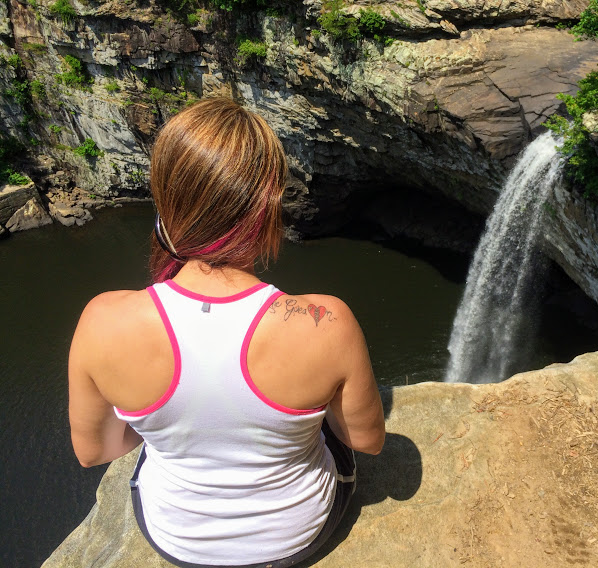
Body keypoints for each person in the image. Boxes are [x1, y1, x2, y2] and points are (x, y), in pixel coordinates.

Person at [68, 97, 385, 568]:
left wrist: (174, 424)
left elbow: (97, 452)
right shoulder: (327, 322)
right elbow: (366, 441)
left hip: (178, 542)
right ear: (266, 213)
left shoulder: (102, 321)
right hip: (298, 535)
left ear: (166, 210)